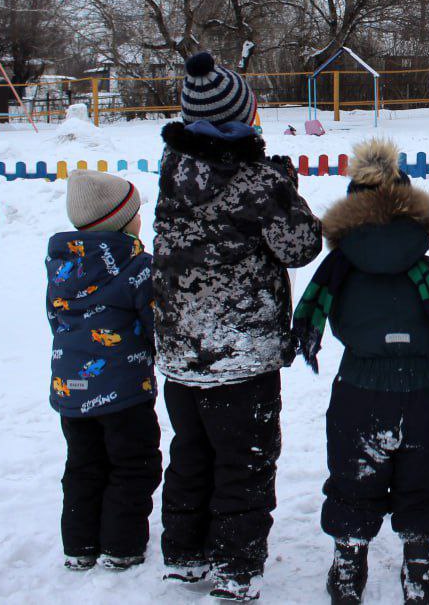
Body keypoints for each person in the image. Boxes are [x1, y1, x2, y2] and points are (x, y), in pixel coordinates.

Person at [153, 52, 323, 601]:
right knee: (244, 463)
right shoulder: (256, 181)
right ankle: (235, 566)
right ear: (242, 118)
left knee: (190, 453)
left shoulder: (172, 169)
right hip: (241, 356)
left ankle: (183, 552)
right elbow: (300, 246)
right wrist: (283, 185)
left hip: (181, 352)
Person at [293, 139, 429, 605]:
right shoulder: (427, 268)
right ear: (410, 211)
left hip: (360, 391)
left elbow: (326, 317)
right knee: (425, 479)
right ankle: (419, 564)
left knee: (353, 480)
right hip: (428, 391)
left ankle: (348, 565)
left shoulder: (338, 272)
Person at [47, 171, 160, 572]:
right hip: (123, 390)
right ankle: (121, 545)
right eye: (136, 213)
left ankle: (79, 546)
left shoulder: (62, 266)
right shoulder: (138, 266)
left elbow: (56, 320)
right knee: (133, 464)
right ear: (122, 221)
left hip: (70, 390)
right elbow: (156, 323)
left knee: (83, 464)